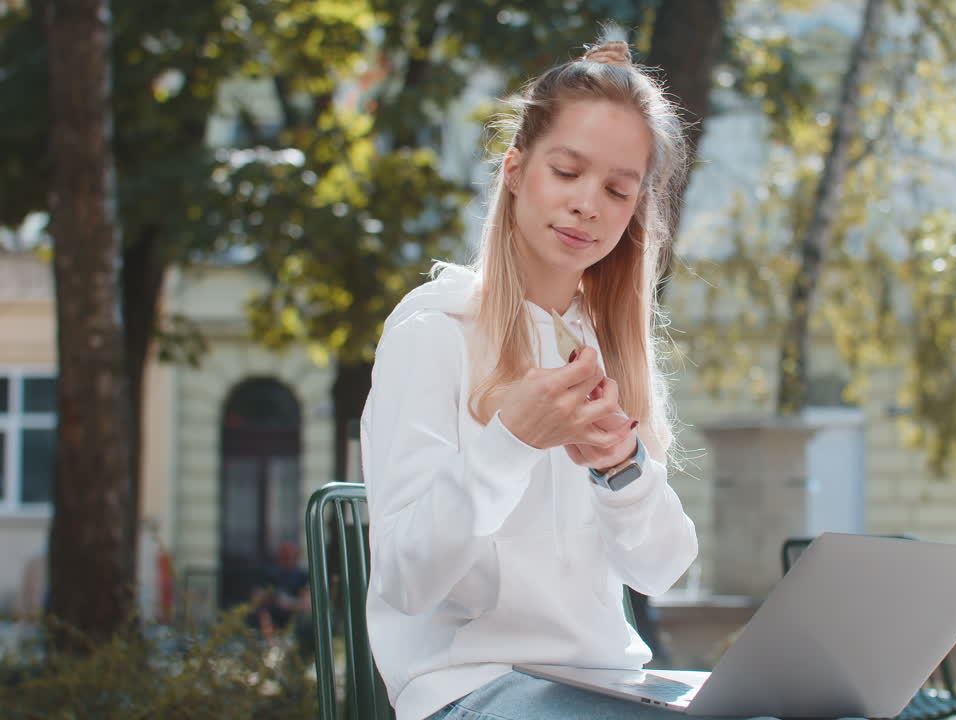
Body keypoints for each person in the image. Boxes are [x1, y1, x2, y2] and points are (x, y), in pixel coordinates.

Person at [361, 38, 721, 720]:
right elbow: (407, 579)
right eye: (567, 172)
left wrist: (622, 467)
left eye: (618, 189)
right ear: (517, 171)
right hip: (472, 689)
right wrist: (511, 441)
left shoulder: (605, 347)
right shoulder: (434, 329)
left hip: (607, 685)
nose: (590, 204)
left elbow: (661, 569)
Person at [250, 541, 312, 655]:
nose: (287, 558)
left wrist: (289, 603)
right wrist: (272, 599)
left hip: (294, 619)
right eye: (284, 555)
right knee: (264, 614)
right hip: (272, 616)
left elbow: (307, 603)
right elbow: (257, 597)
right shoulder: (269, 574)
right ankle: (270, 645)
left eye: (289, 556)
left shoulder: (302, 577)